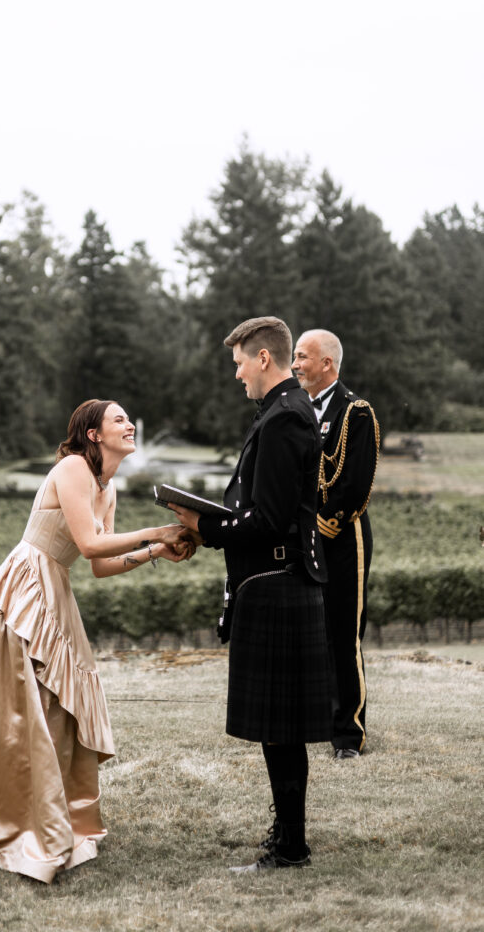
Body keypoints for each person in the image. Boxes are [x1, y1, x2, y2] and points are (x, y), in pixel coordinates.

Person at [0, 399, 190, 883]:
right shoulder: (73, 468)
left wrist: (156, 551)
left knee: (55, 714)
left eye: (129, 419)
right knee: (19, 710)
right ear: (94, 434)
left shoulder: (108, 487)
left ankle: (41, 817)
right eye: (119, 419)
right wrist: (157, 530)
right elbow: (89, 544)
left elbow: (100, 566)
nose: (129, 425)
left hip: (56, 587)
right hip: (26, 586)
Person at [170, 317, 332, 871]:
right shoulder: (282, 412)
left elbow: (266, 522)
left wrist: (204, 525)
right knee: (278, 728)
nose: (237, 373)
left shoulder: (286, 418)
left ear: (264, 358)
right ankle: (288, 839)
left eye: (240, 361)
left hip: (278, 585)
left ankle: (291, 846)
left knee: (280, 728)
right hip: (275, 584)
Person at [292, 329, 380, 759]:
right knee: (314, 634)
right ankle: (320, 722)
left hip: (344, 537)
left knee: (344, 635)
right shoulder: (296, 410)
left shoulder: (355, 412)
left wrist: (333, 518)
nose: (295, 365)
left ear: (327, 363)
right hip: (308, 535)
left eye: (302, 357)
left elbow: (358, 476)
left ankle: (348, 735)